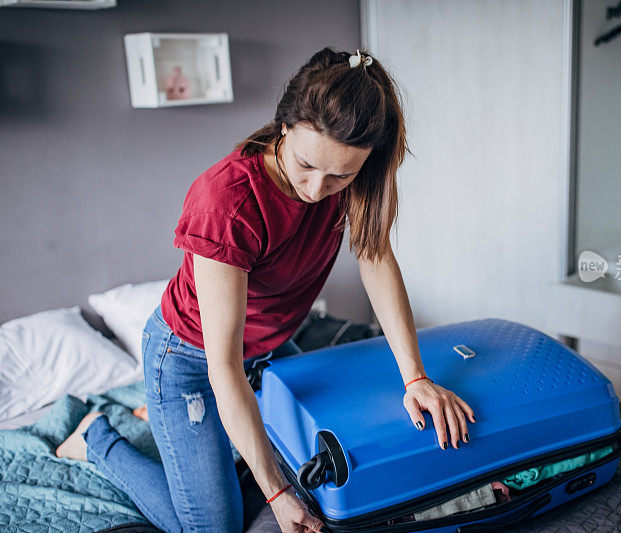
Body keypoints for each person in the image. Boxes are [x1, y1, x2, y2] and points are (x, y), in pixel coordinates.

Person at [55, 47, 476, 533]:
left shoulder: (358, 178)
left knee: (324, 468)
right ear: (283, 126)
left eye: (341, 174)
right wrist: (275, 492)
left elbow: (377, 259)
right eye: (305, 165)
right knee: (215, 527)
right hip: (192, 362)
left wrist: (415, 378)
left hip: (271, 348)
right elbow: (223, 365)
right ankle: (96, 441)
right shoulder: (226, 202)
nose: (318, 189)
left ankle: (178, 426)